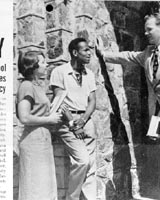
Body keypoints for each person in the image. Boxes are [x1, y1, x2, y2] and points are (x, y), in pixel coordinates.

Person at [96, 13, 160, 199]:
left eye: (149, 29)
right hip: (156, 115)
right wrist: (104, 55)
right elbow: (127, 56)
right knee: (158, 153)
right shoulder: (147, 53)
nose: (146, 33)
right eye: (145, 29)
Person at [50, 38, 97, 200]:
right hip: (67, 122)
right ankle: (72, 198)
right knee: (82, 161)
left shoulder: (89, 74)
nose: (89, 52)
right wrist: (73, 124)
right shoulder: (59, 72)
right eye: (85, 50)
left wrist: (83, 120)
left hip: (86, 120)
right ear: (75, 53)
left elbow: (92, 101)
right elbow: (59, 101)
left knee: (91, 165)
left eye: (89, 49)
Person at [16, 51, 62, 200]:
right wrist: (50, 120)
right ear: (34, 67)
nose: (46, 64)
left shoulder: (37, 86)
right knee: (35, 187)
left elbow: (38, 111)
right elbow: (24, 117)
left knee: (44, 186)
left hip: (42, 140)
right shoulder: (26, 86)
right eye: (42, 62)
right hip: (33, 141)